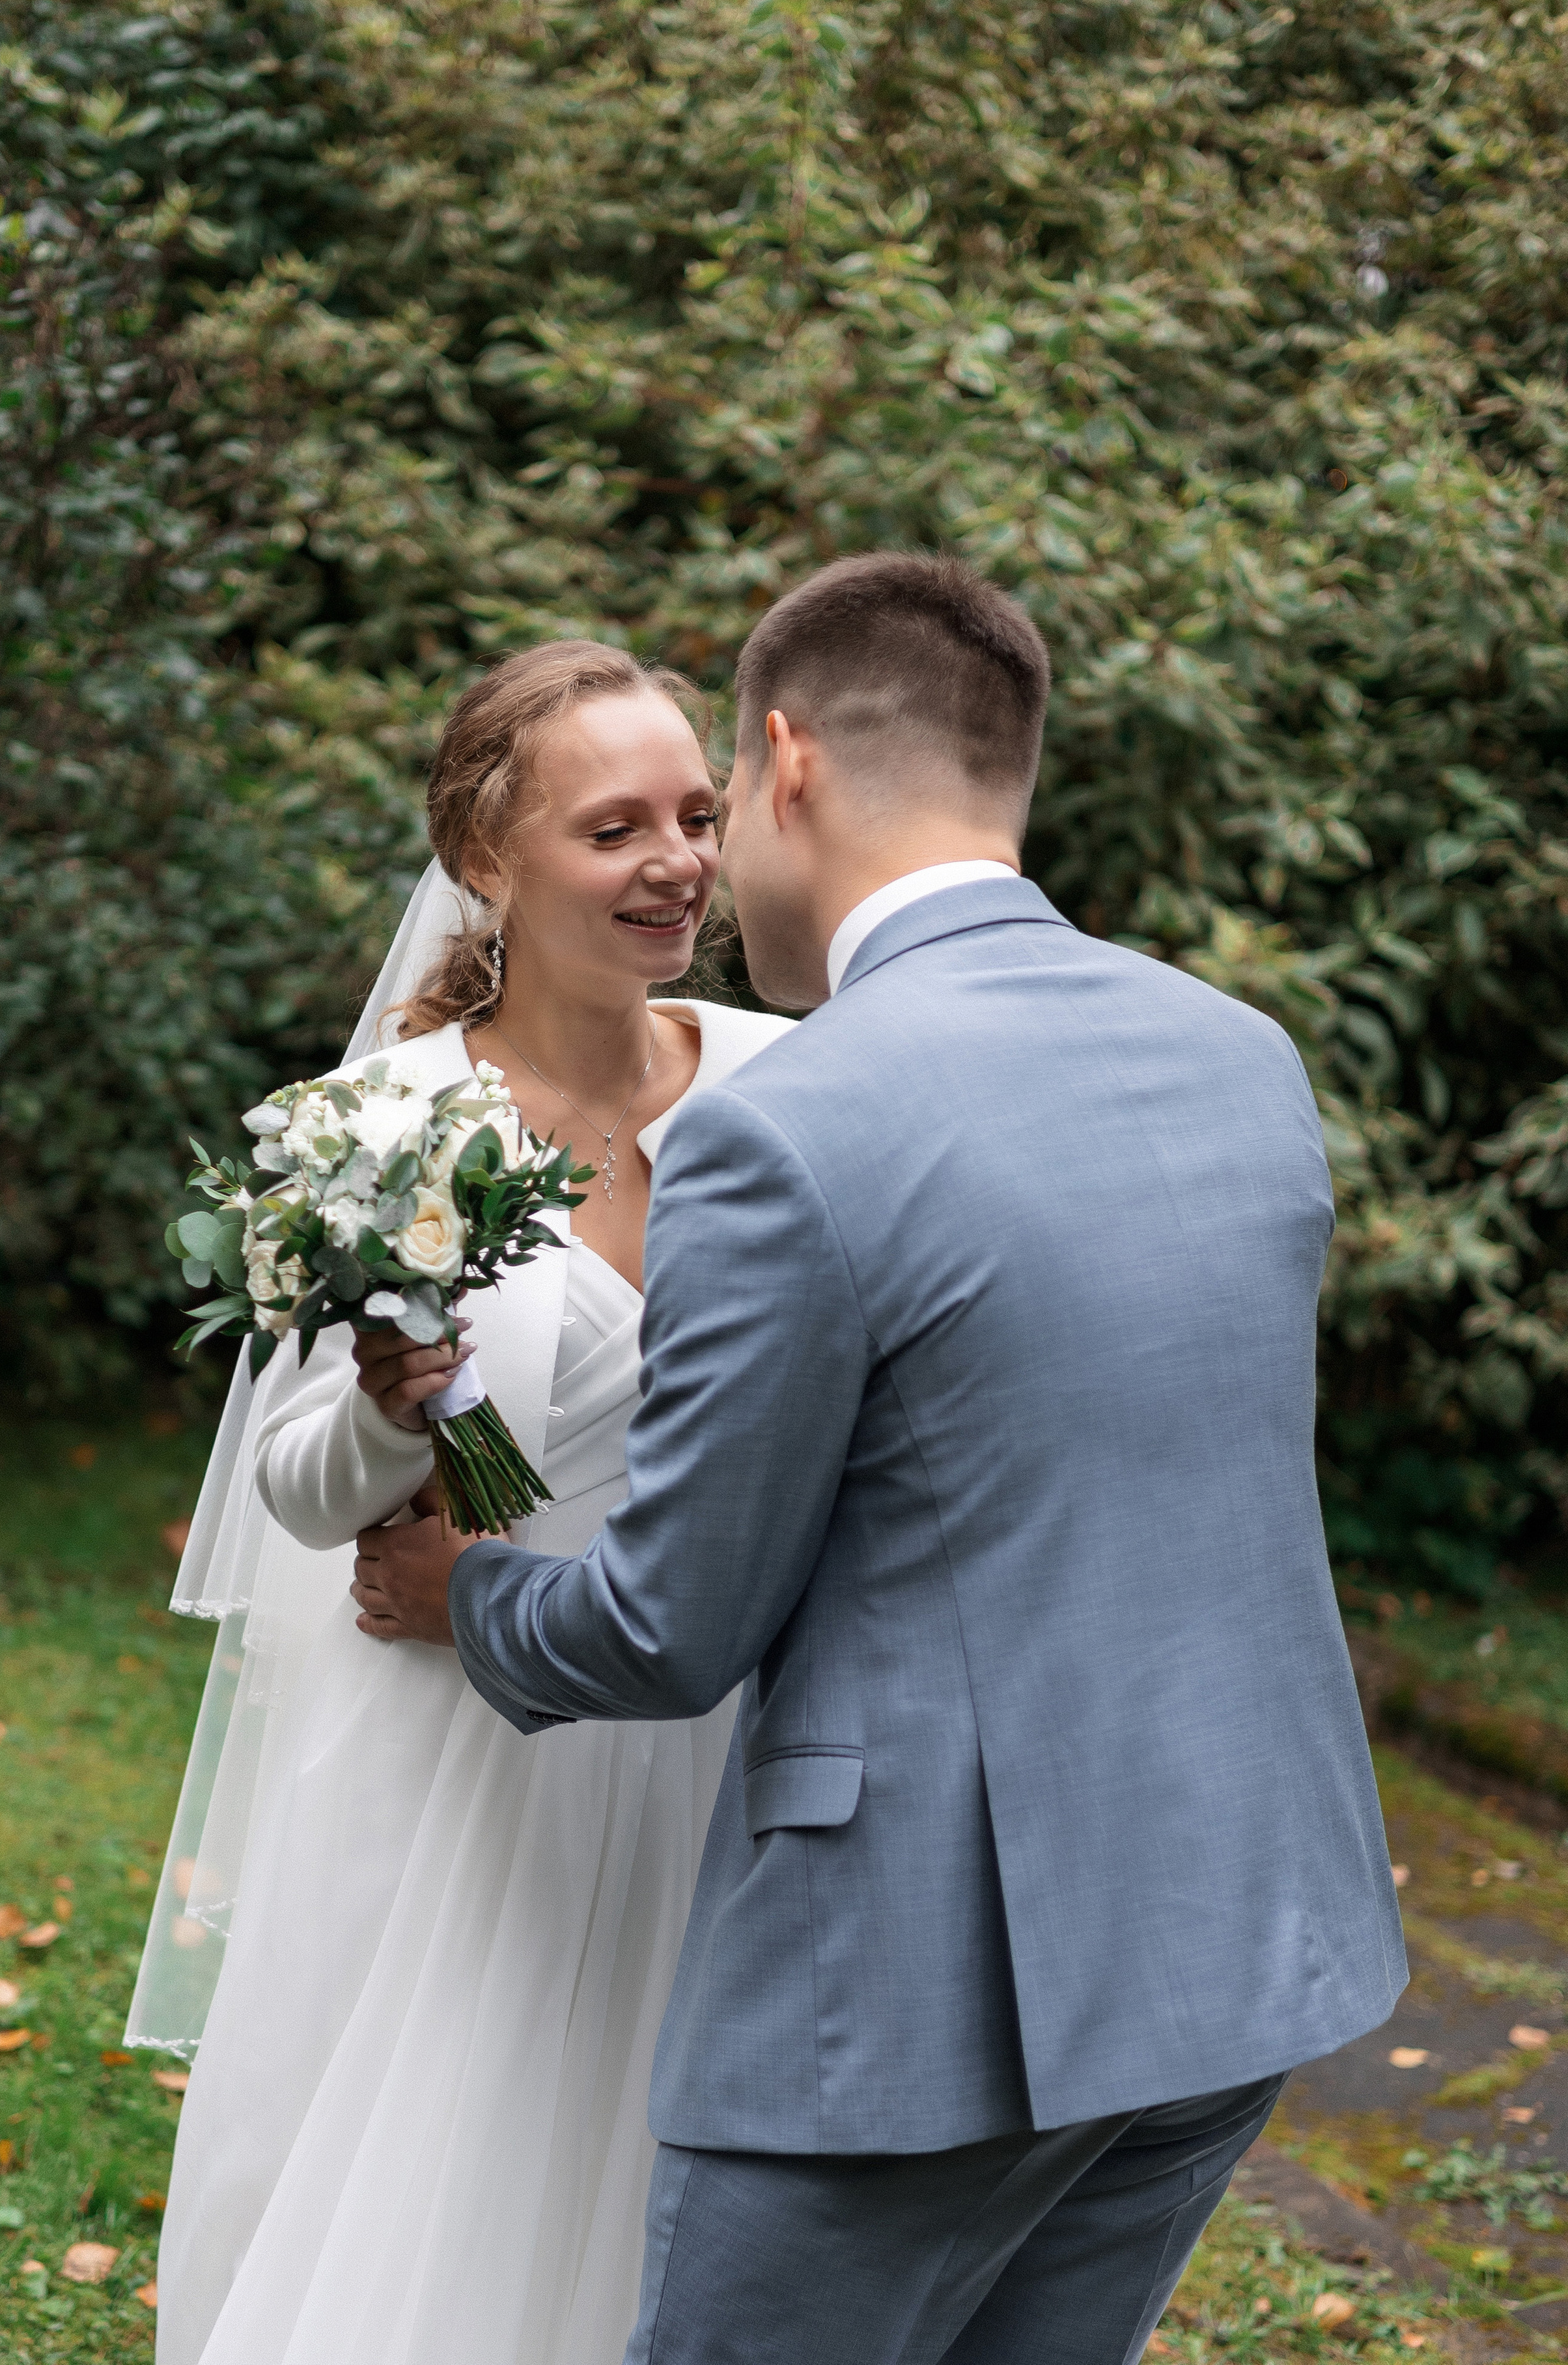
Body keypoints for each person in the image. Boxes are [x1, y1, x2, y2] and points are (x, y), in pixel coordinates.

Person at [354, 553, 1408, 2365]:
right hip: (1239, 1947)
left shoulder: (789, 1130)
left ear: (786, 762)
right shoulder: (1246, 1060)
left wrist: (471, 1592)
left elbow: (673, 1628)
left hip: (918, 2002)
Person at [132, 641, 792, 2365]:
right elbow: (298, 1486)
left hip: (702, 1718)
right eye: (616, 828)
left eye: (698, 816)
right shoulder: (383, 1129)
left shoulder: (791, 1078)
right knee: (429, 2187)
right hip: (449, 1732)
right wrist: (385, 1414)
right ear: (492, 860)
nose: (679, 865)